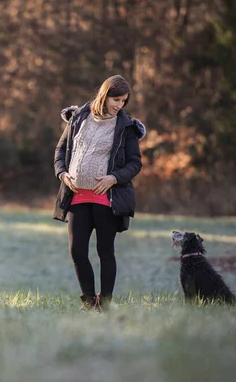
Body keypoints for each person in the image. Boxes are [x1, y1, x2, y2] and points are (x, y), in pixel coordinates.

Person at [53, 75, 146, 311]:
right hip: (77, 197)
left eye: (124, 101)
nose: (120, 105)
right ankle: (89, 301)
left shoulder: (125, 127)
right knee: (76, 250)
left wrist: (114, 178)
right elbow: (61, 150)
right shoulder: (78, 117)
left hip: (106, 198)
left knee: (105, 251)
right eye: (116, 99)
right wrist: (62, 174)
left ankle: (105, 302)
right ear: (104, 96)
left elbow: (135, 163)